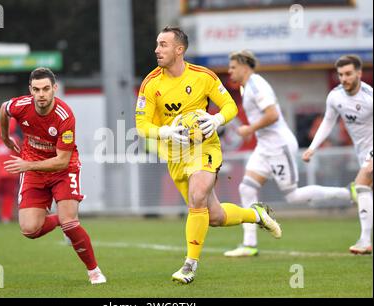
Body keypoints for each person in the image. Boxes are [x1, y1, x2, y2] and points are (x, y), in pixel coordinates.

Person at [135, 27, 281, 284]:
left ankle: (189, 265)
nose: (157, 50)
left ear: (179, 50)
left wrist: (215, 119)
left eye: (163, 45)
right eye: (157, 44)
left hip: (205, 148)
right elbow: (141, 125)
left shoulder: (203, 76)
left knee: (197, 196)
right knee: (213, 216)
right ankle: (256, 215)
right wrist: (166, 131)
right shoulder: (150, 83)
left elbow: (229, 106)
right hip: (175, 155)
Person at [223, 50, 353, 257]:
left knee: (292, 196)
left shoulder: (257, 84)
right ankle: (249, 244)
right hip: (265, 147)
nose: (229, 71)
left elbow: (273, 115)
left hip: (278, 145)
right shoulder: (245, 87)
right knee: (246, 188)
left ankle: (348, 193)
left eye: (233, 67)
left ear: (244, 66)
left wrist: (249, 129)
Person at [0, 67, 107, 284]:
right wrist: (5, 136)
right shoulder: (21, 106)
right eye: (36, 89)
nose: (41, 94)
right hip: (34, 170)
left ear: (54, 89)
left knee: (71, 223)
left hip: (63, 170)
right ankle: (61, 220)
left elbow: (62, 160)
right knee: (29, 230)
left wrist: (27, 165)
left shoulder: (64, 117)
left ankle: (94, 271)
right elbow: (4, 108)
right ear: (30, 90)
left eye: (46, 89)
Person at [303, 54, 373, 255]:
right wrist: (313, 147)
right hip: (362, 154)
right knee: (366, 192)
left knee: (360, 186)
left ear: (359, 73)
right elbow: (328, 121)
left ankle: (364, 241)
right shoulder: (335, 96)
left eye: (349, 74)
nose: (344, 78)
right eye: (341, 74)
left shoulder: (369, 97)